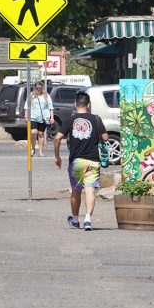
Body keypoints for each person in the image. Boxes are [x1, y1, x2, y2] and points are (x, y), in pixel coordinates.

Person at [54, 90, 109, 231]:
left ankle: (75, 219)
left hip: (76, 162)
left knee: (76, 191)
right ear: (88, 104)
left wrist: (57, 156)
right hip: (93, 161)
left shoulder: (69, 120)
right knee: (90, 190)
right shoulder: (96, 119)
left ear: (74, 104)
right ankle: (88, 219)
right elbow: (105, 138)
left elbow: (57, 138)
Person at [28, 81, 54, 157]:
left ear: (42, 87)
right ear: (35, 88)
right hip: (34, 117)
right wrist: (26, 116)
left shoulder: (46, 95)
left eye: (40, 88)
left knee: (41, 134)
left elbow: (51, 107)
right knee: (33, 132)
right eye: (37, 88)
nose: (38, 89)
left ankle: (41, 152)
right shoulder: (32, 95)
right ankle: (33, 148)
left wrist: (52, 117)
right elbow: (27, 106)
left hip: (44, 117)